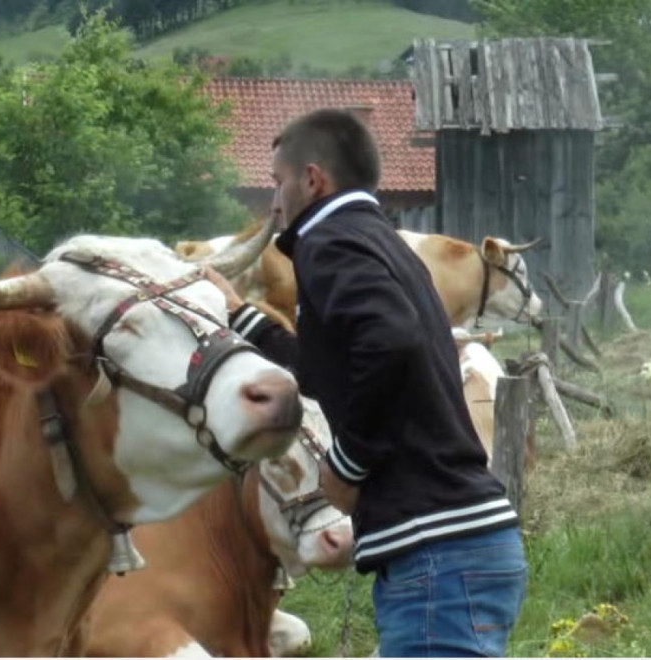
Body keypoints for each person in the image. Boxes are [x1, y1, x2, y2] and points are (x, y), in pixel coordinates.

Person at [204, 108, 527, 657]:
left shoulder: (327, 241)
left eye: (279, 183)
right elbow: (331, 368)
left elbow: (390, 344)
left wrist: (346, 467)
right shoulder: (378, 242)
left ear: (312, 179)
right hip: (460, 548)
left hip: (437, 555)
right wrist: (241, 315)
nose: (274, 202)